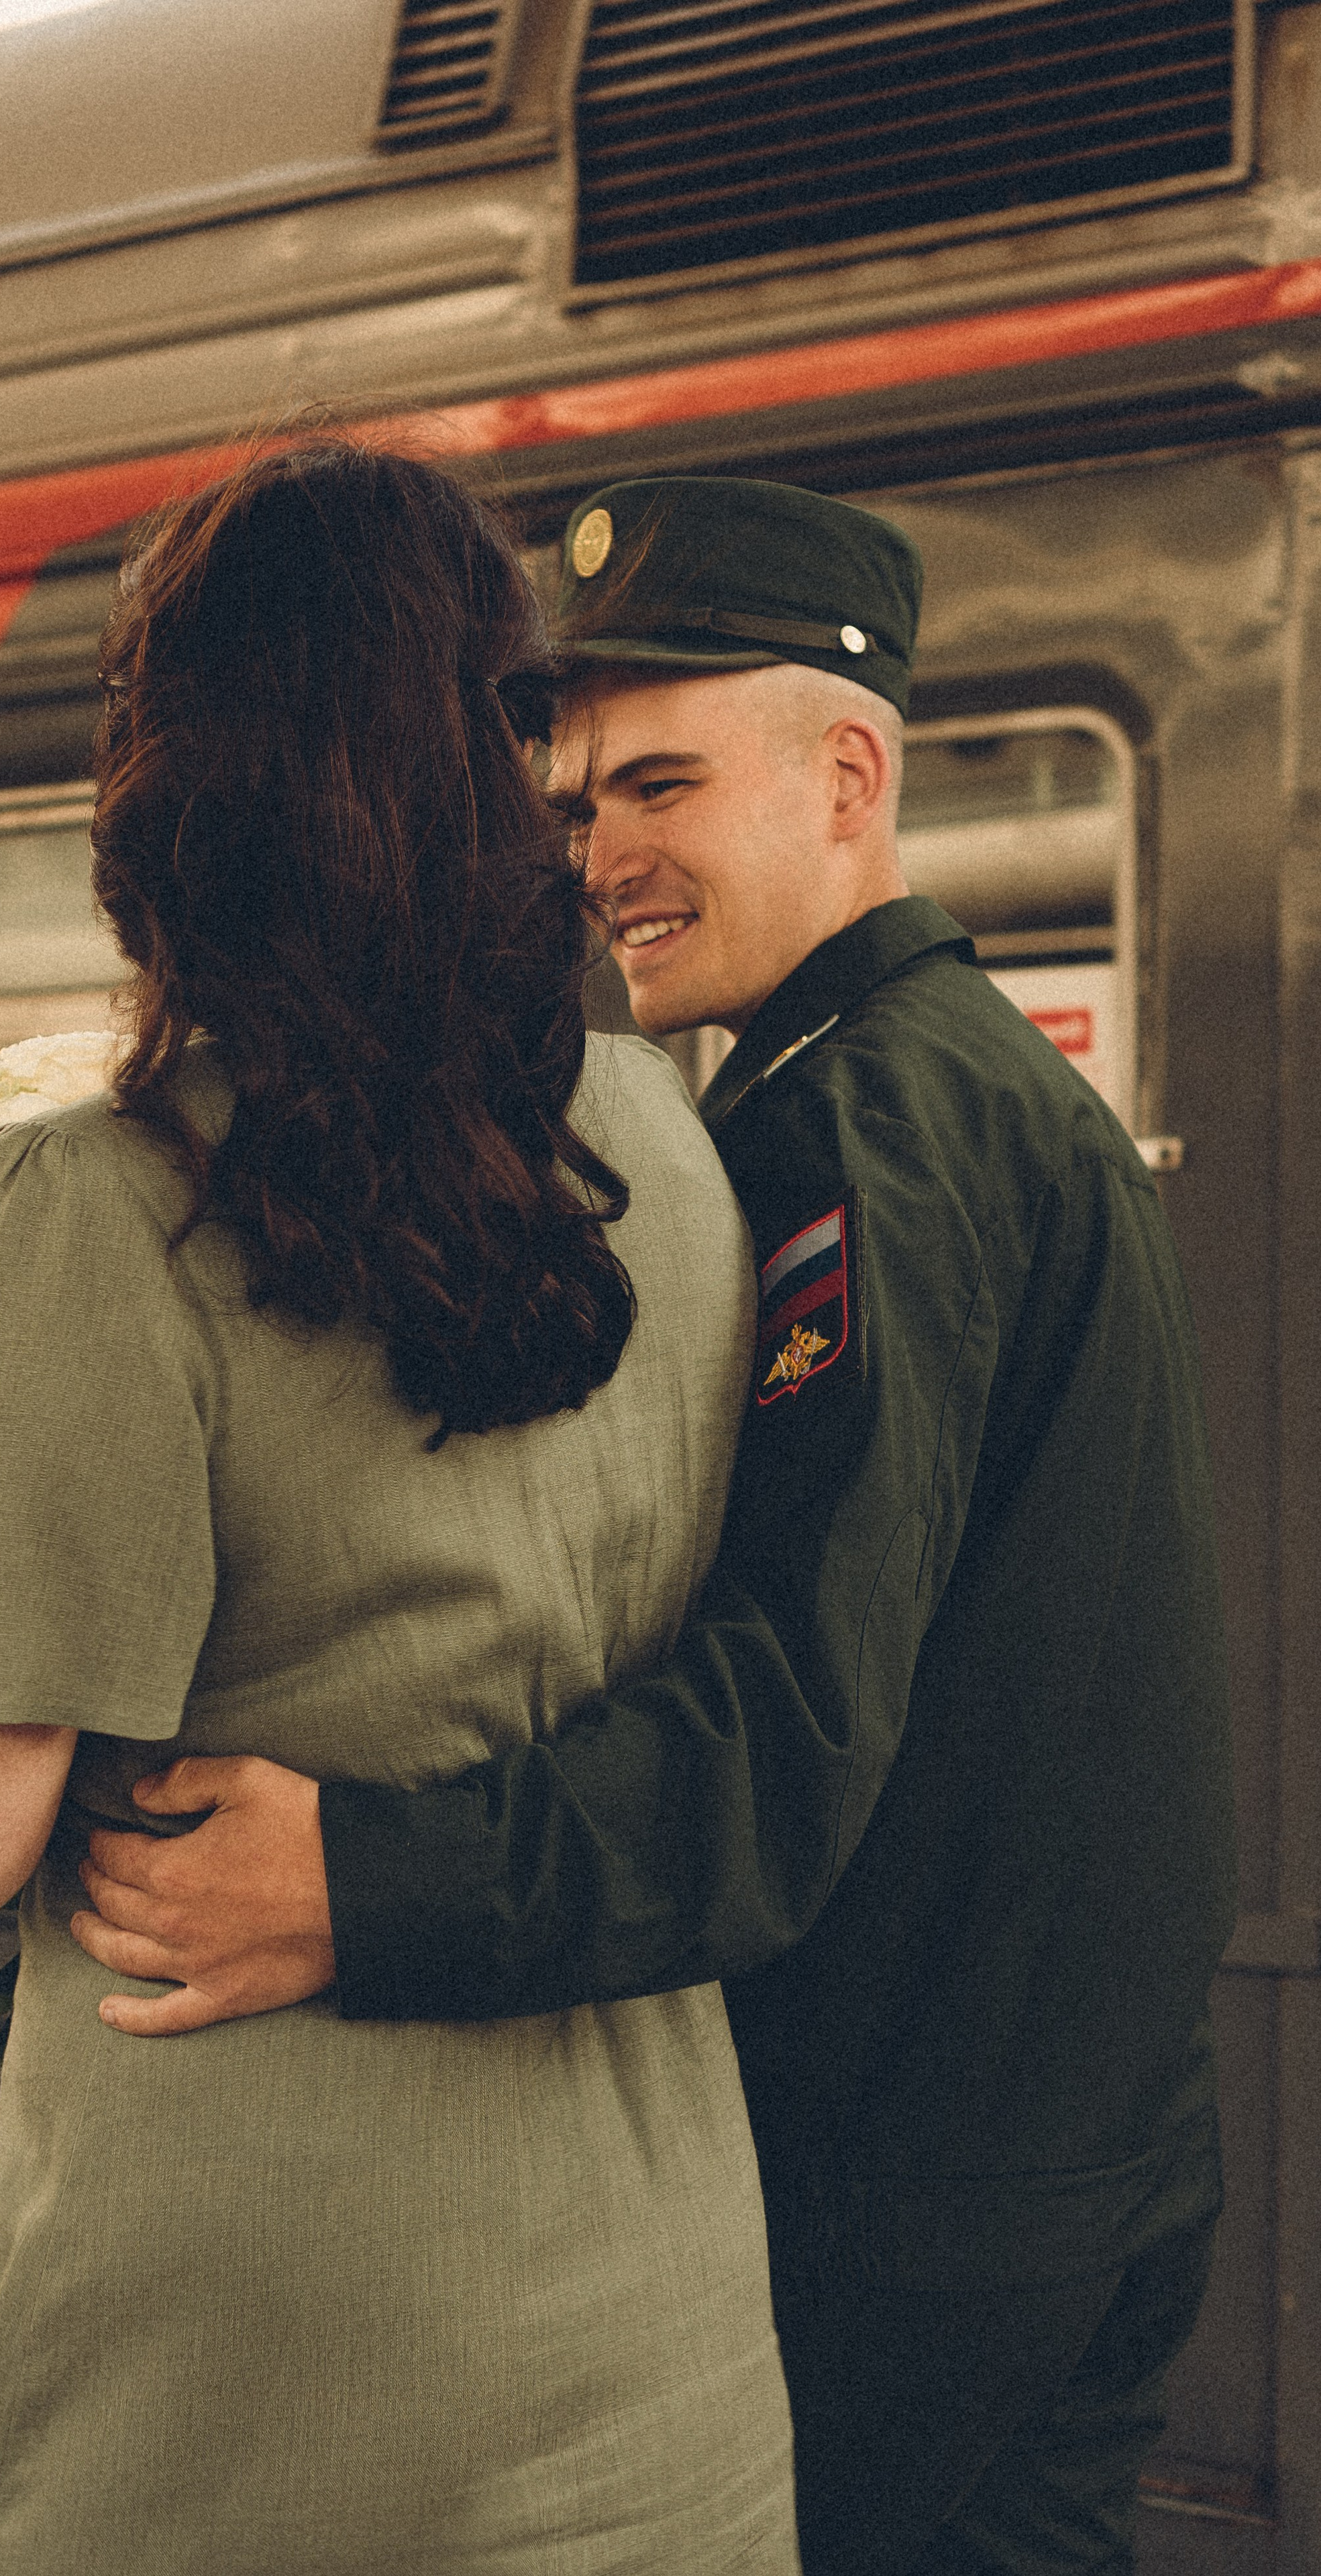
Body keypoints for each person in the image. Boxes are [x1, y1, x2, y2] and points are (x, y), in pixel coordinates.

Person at [72, 476, 1240, 2575]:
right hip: (1060, 2153)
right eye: (576, 794)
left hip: (908, 2192)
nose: (600, 855)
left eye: (664, 784)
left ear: (853, 777)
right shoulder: (977, 1088)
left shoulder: (852, 1133)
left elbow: (784, 1730)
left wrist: (362, 1881)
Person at [0, 443, 802, 2575]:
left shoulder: (103, 1208)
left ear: (169, 785)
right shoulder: (658, 1142)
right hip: (652, 2298)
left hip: (253, 2331)